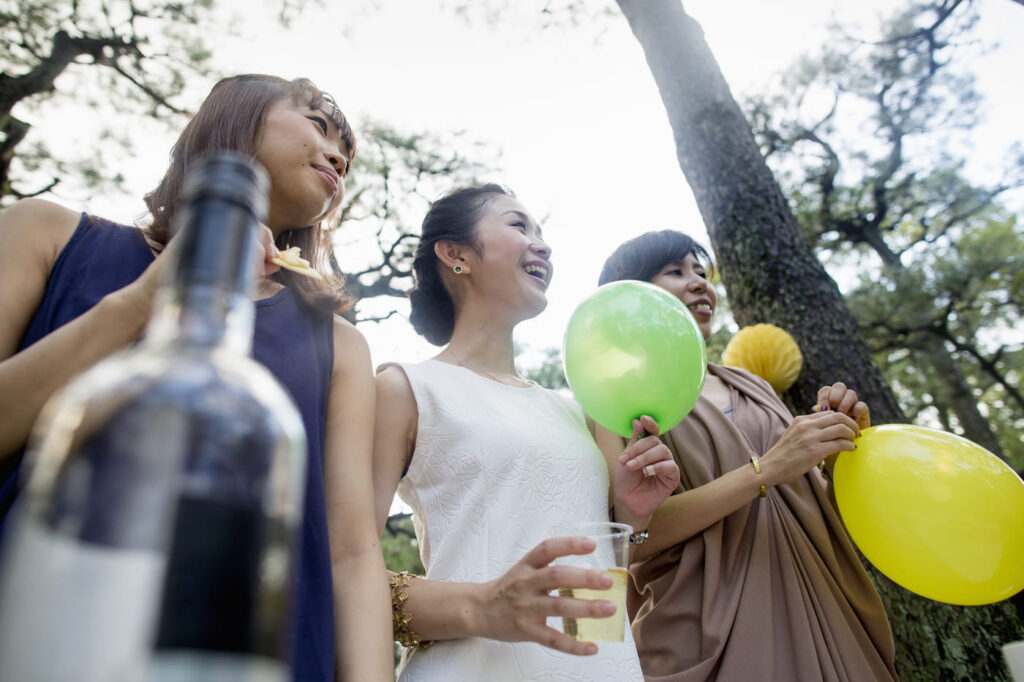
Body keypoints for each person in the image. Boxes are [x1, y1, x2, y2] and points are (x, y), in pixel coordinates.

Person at [0, 75, 392, 681]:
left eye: (346, 150)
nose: (339, 155)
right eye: (318, 123)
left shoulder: (340, 346)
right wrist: (140, 302)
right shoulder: (46, 235)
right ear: (235, 116)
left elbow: (353, 553)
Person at [372, 184, 681, 681]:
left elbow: (604, 563)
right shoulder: (404, 388)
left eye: (542, 233)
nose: (543, 245)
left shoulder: (578, 412)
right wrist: (483, 604)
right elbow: (343, 571)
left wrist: (633, 512)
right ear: (456, 255)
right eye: (519, 226)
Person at [596, 229, 899, 681]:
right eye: (675, 272)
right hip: (706, 629)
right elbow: (628, 541)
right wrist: (766, 469)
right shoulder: (613, 397)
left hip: (824, 604)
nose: (701, 283)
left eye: (701, 271)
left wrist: (838, 459)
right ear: (631, 293)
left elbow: (812, 509)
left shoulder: (751, 384)